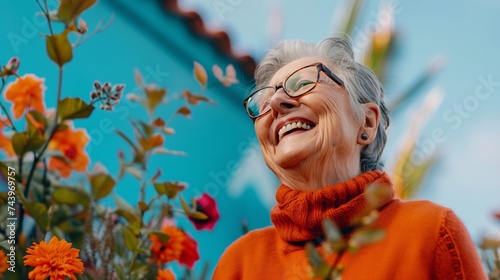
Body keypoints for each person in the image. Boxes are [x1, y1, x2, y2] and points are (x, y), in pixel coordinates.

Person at [213, 37, 486, 279]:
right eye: (263, 102)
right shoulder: (241, 263)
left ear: (366, 123)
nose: (275, 103)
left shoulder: (429, 231)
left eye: (304, 83)